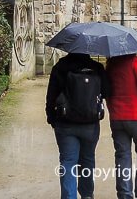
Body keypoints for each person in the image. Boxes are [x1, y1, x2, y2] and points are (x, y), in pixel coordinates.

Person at [46, 52, 109, 199]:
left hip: (65, 123)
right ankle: (87, 195)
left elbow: (51, 96)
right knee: (87, 160)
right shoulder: (96, 67)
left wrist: (51, 118)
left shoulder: (60, 67)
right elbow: (107, 92)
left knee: (68, 162)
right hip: (90, 124)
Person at [106, 53, 137, 199]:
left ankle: (125, 194)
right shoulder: (134, 60)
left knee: (122, 156)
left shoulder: (110, 64)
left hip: (117, 117)